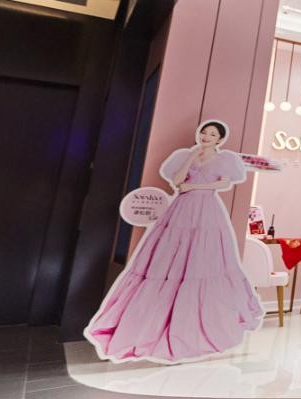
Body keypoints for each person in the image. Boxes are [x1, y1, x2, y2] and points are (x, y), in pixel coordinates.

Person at [85, 120, 263, 364]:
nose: (206, 136)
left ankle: (196, 321)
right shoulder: (185, 155)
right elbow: (177, 182)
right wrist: (190, 159)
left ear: (220, 139)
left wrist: (194, 185)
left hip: (206, 209)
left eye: (212, 134)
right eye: (204, 132)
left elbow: (224, 183)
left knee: (202, 258)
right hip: (182, 207)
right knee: (170, 256)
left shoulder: (225, 159)